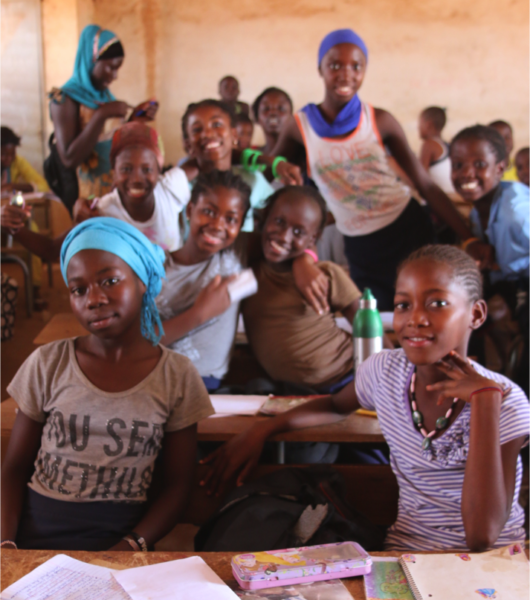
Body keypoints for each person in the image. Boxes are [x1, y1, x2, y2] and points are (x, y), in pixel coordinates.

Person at [202, 245, 530, 552]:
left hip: (493, 567)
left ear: (476, 314)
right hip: (407, 552)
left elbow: (482, 536)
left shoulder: (507, 402)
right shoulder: (385, 372)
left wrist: (486, 399)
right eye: (403, 304)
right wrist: (261, 430)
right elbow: (333, 405)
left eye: (437, 303)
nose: (415, 318)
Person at [0, 217, 213, 551]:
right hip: (34, 539)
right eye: (78, 289)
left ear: (142, 282)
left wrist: (131, 545)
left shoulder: (176, 376)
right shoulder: (48, 363)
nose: (94, 299)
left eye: (110, 281)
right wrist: (6, 544)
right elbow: (13, 468)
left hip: (121, 543)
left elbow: (177, 487)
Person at [262, 29, 486, 310]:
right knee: (377, 322)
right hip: (360, 245)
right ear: (320, 68)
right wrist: (238, 154)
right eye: (335, 65)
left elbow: (425, 185)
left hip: (407, 230)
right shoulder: (300, 127)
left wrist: (469, 237)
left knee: (426, 310)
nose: (346, 75)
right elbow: (266, 173)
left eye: (356, 66)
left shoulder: (380, 120)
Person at [0, 122, 190, 259]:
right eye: (126, 169)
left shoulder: (170, 188)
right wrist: (15, 228)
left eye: (147, 169)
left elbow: (201, 162)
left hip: (174, 302)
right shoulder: (103, 211)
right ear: (113, 173)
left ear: (159, 172)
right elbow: (51, 250)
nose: (137, 178)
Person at [242, 186, 361, 394]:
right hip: (297, 393)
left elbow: (371, 329)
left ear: (312, 239)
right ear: (265, 217)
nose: (284, 236)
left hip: (349, 379)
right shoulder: (247, 268)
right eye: (279, 221)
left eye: (298, 232)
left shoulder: (325, 274)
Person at [156, 170, 251, 392]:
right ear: (190, 210)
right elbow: (139, 342)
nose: (218, 225)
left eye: (231, 219)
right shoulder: (156, 270)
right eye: (208, 212)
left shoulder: (238, 251)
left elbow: (289, 237)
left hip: (207, 384)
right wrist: (199, 313)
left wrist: (306, 259)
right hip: (161, 380)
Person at [450, 125, 530, 388]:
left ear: (499, 168)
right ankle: (475, 381)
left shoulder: (516, 213)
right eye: (458, 164)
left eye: (479, 164)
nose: (466, 173)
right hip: (510, 279)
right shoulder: (481, 205)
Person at [49, 24, 158, 210]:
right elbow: (68, 159)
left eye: (118, 69)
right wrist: (101, 115)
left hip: (117, 194)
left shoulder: (104, 96)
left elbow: (107, 141)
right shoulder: (64, 100)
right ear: (91, 60)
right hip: (89, 199)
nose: (115, 75)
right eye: (110, 67)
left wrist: (135, 118)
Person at [181, 99, 274, 232]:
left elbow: (279, 215)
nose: (207, 133)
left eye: (217, 124)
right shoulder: (181, 188)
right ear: (188, 145)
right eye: (197, 129)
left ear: (234, 134)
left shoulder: (253, 181)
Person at [418, 107, 456, 196]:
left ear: (428, 125)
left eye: (419, 124)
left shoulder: (429, 144)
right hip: (451, 195)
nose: (418, 127)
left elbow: (419, 176)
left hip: (439, 200)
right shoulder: (446, 144)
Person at [0, 127, 50, 193]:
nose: (9, 158)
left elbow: (44, 186)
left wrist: (13, 186)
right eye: (3, 154)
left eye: (12, 153)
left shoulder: (17, 162)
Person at [252, 87, 294, 156]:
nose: (273, 113)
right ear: (256, 117)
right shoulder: (250, 157)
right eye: (266, 109)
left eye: (281, 109)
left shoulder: (305, 156)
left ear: (291, 117)